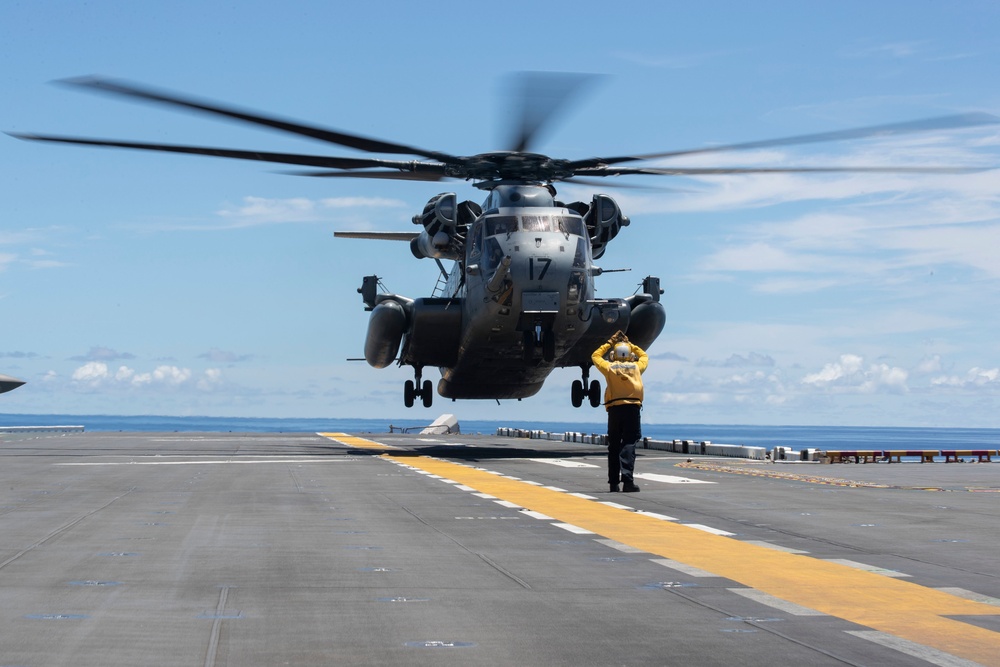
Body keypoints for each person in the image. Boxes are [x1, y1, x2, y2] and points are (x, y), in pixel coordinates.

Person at [591, 331, 648, 492]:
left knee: (614, 446)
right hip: (632, 409)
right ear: (629, 354)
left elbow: (595, 356)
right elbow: (644, 356)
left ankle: (613, 483)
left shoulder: (609, 368)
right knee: (629, 443)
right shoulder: (637, 367)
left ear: (614, 354)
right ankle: (628, 481)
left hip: (615, 410)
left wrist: (610, 342)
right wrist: (630, 344)